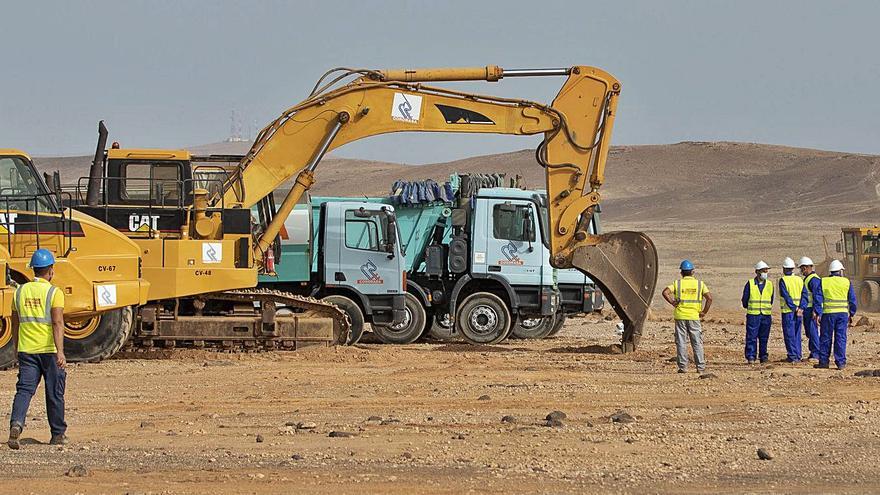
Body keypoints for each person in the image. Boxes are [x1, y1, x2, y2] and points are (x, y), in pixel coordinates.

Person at [7, 249, 67, 450]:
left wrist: (16, 348)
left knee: (24, 390)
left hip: (26, 350)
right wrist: (60, 352)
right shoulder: (54, 293)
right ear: (50, 270)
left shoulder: (19, 292)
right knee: (54, 392)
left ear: (33, 269)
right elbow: (57, 323)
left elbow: (15, 324)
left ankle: (16, 424)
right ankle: (57, 435)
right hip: (49, 351)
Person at [661, 260, 713, 374]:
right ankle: (700, 367)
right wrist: (704, 312)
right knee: (697, 342)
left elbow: (665, 292)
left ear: (681, 272)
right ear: (693, 272)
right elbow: (709, 298)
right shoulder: (700, 284)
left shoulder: (677, 284)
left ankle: (683, 367)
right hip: (694, 316)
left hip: (680, 316)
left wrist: (672, 303)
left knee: (681, 342)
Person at [811, 259, 856, 370]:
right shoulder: (846, 282)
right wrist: (851, 313)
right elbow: (852, 300)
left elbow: (818, 299)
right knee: (840, 338)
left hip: (828, 315)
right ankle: (840, 363)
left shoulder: (823, 281)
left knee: (825, 338)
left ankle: (824, 362)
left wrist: (818, 313)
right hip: (842, 315)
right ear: (840, 271)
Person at [742, 261, 773, 364]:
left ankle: (763, 356)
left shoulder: (769, 284)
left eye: (766, 271)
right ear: (757, 272)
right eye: (763, 271)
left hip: (766, 315)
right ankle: (751, 356)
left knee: (764, 337)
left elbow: (771, 299)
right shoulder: (750, 284)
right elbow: (745, 299)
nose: (765, 273)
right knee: (751, 336)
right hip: (753, 315)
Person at [778, 257, 804, 362]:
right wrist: (801, 308)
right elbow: (805, 295)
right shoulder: (799, 279)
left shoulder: (783, 280)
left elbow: (786, 296)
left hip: (788, 312)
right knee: (797, 333)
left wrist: (794, 308)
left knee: (789, 334)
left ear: (784, 269)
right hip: (799, 312)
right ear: (793, 268)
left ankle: (792, 356)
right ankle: (798, 355)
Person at [796, 257, 822, 360]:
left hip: (811, 310)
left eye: (802, 268)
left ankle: (816, 353)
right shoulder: (808, 279)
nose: (802, 271)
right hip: (807, 309)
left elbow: (817, 296)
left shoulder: (813, 280)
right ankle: (813, 352)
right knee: (809, 332)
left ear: (807, 268)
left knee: (812, 331)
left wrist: (816, 311)